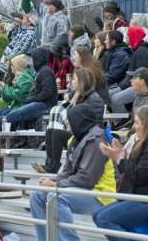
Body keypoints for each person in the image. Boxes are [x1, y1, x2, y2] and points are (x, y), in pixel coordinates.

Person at [30, 67, 116, 241]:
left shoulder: (96, 140)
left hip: (99, 194)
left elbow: (86, 178)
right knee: (37, 195)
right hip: (81, 188)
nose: (67, 126)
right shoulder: (74, 139)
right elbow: (67, 170)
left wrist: (56, 185)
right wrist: (53, 180)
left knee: (55, 196)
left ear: (78, 122)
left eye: (69, 122)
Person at [93, 105, 148, 239]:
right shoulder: (147, 141)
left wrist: (119, 158)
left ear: (147, 123)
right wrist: (121, 155)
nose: (134, 127)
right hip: (144, 197)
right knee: (97, 215)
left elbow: (141, 176)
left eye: (137, 122)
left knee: (105, 219)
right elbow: (134, 171)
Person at [0, 48, 57, 130]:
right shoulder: (41, 71)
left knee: (17, 113)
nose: (31, 61)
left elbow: (47, 92)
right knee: (14, 113)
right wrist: (31, 98)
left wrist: (32, 99)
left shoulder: (45, 71)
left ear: (38, 58)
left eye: (32, 58)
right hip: (40, 103)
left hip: (45, 105)